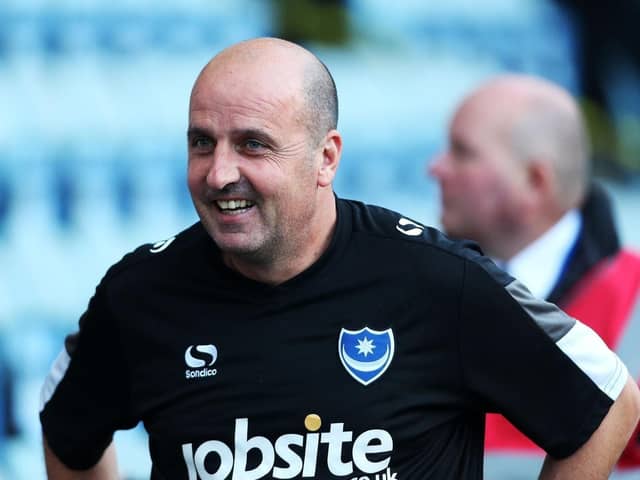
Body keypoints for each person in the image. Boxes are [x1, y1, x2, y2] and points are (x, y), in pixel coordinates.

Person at [40, 38, 640, 480]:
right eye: (202, 142)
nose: (220, 173)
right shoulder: (140, 293)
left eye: (253, 144)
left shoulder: (437, 279)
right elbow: (67, 432)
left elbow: (609, 399)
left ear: (326, 158)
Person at [428, 74, 640, 468]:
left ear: (535, 180)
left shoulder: (634, 303)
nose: (436, 168)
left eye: (462, 152)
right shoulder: (418, 289)